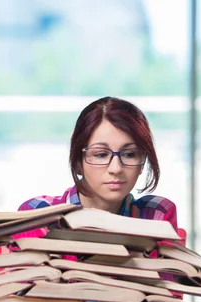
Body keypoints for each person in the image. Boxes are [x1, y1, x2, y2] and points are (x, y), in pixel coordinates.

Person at [16, 96, 179, 240]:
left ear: (142, 163)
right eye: (101, 155)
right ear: (78, 162)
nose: (116, 169)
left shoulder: (155, 214)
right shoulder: (37, 214)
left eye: (129, 154)